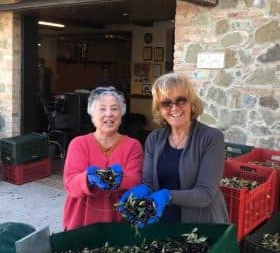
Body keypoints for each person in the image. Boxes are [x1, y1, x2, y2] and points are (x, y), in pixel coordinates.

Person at [118, 72, 229, 227]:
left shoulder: (211, 138)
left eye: (181, 100)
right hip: (161, 220)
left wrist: (168, 195)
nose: (174, 108)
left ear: (191, 102)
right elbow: (149, 183)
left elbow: (205, 194)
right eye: (166, 103)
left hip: (201, 223)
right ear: (159, 108)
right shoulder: (154, 139)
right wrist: (139, 191)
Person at [63, 86, 143, 230]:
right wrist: (87, 178)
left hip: (119, 221)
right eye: (102, 109)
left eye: (114, 108)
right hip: (81, 219)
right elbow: (71, 185)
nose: (109, 114)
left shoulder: (133, 145)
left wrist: (120, 178)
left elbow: (135, 180)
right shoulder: (78, 144)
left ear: (121, 114)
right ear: (92, 114)